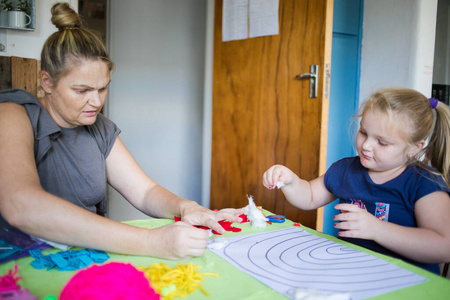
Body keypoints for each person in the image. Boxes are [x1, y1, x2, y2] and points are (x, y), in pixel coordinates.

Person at [0, 2, 242, 260]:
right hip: (22, 261)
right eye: (82, 91)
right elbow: (21, 205)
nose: (96, 102)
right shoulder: (13, 115)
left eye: (102, 88)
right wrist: (150, 241)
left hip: (82, 257)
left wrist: (186, 207)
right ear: (47, 82)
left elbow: (145, 192)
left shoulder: (99, 128)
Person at [263, 87, 450, 274]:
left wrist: (377, 229)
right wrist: (290, 181)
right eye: (363, 132)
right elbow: (310, 196)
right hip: (353, 274)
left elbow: (443, 247)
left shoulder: (425, 183)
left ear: (414, 148)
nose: (366, 146)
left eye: (382, 142)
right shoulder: (345, 170)